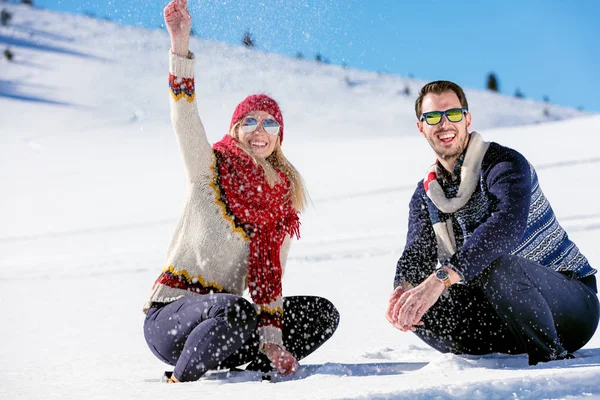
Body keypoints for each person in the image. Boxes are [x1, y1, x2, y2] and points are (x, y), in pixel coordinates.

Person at [143, 0, 339, 383]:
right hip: (172, 318)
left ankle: (261, 367)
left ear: (279, 137)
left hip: (224, 325)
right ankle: (180, 382)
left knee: (321, 313)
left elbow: (269, 282)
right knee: (236, 311)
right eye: (248, 121)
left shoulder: (280, 205)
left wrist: (271, 341)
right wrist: (180, 46)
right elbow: (184, 114)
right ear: (235, 130)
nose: (258, 129)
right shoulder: (208, 167)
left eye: (268, 123)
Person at [386, 80, 599, 366]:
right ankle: (488, 360)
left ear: (467, 119)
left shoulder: (504, 164)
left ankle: (552, 361)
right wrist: (404, 289)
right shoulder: (426, 194)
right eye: (433, 117)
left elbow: (506, 226)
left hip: (569, 308)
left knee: (496, 265)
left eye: (453, 114)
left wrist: (442, 277)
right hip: (501, 318)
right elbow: (417, 252)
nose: (444, 124)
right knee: (419, 304)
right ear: (421, 127)